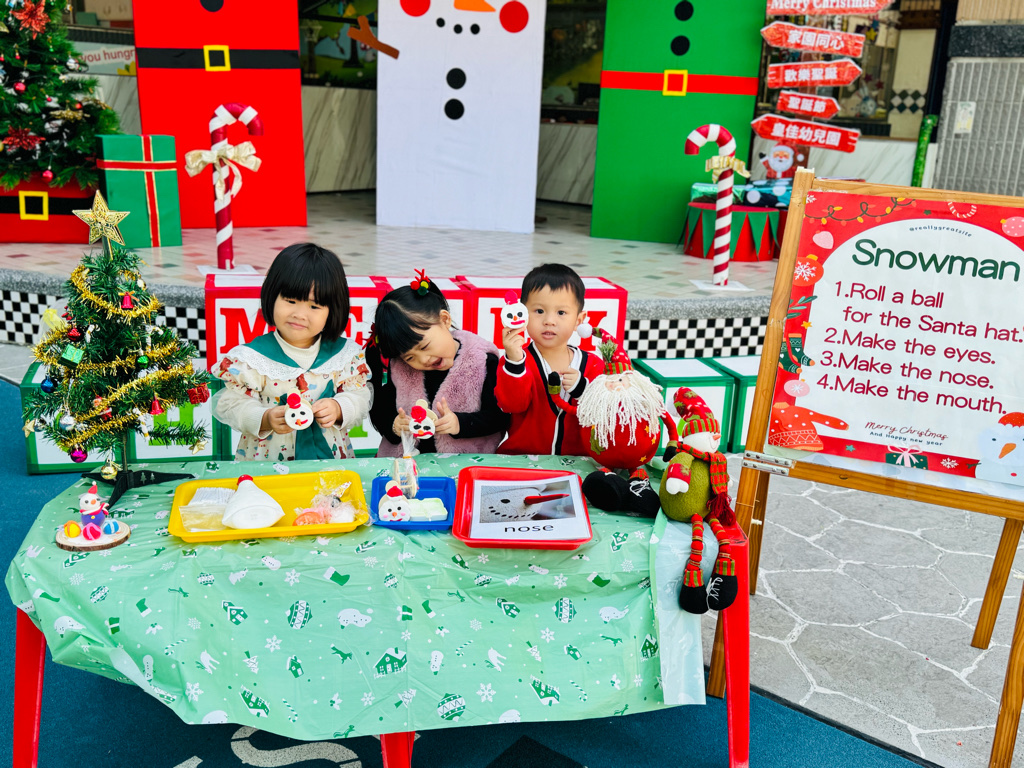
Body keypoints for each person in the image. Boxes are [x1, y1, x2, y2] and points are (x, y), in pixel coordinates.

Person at [213, 243, 371, 461]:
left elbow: (360, 396)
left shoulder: (343, 356)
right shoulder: (252, 359)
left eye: (314, 306)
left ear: (333, 310)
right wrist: (264, 418)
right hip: (267, 464)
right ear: (272, 296)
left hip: (329, 462)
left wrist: (340, 407)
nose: (299, 314)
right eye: (290, 301)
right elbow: (230, 404)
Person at [367, 270, 508, 456]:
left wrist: (459, 424)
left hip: (464, 465)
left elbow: (500, 417)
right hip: (406, 465)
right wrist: (394, 425)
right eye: (410, 357)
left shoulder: (483, 361)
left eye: (424, 346)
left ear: (445, 319)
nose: (423, 360)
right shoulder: (399, 369)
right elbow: (380, 411)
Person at [496, 263, 605, 455]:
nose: (549, 321)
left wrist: (583, 390)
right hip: (521, 460)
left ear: (579, 320)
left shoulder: (593, 365)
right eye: (539, 311)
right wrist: (514, 360)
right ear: (523, 314)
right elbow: (511, 405)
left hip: (579, 463)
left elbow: (603, 414)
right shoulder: (515, 361)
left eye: (561, 312)